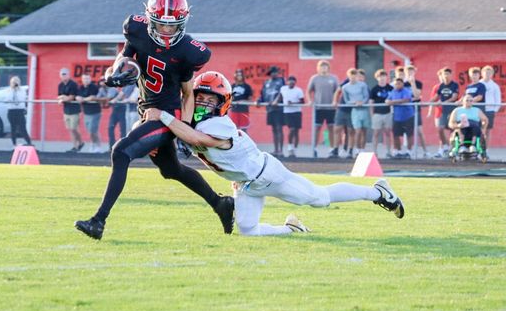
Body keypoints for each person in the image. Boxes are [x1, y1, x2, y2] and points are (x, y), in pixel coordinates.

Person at [144, 71, 405, 236]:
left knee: (320, 198)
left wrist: (163, 116)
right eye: (200, 97)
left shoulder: (217, 124)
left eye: (211, 100)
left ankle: (378, 192)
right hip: (246, 183)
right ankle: (292, 229)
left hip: (268, 175)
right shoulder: (188, 121)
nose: (203, 102)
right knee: (248, 230)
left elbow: (195, 138)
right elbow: (185, 117)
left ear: (222, 103)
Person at [74, 0, 234, 240]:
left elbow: (188, 94)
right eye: (161, 25)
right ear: (149, 19)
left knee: (121, 152)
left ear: (183, 22)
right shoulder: (136, 30)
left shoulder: (189, 51)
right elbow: (121, 60)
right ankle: (220, 204)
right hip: (146, 112)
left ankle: (98, 221)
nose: (166, 31)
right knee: (171, 170)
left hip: (166, 116)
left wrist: (183, 130)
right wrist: (111, 75)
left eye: (173, 26)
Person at [306, 60, 339, 158]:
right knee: (317, 128)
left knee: (331, 128)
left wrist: (335, 101)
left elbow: (338, 91)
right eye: (321, 67)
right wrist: (310, 101)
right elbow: (308, 91)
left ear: (328, 68)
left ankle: (331, 149)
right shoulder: (315, 78)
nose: (323, 68)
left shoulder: (333, 78)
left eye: (325, 66)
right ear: (318, 68)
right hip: (318, 108)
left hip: (330, 108)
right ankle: (314, 148)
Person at [426, 67, 459, 158]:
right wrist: (428, 103)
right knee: (440, 129)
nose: (446, 76)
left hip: (452, 111)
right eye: (445, 74)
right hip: (443, 111)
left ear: (451, 75)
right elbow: (436, 97)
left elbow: (454, 97)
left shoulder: (454, 85)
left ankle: (453, 149)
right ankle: (445, 146)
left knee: (453, 130)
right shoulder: (441, 86)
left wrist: (444, 102)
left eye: (448, 74)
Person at [448, 93, 489, 158]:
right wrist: (458, 126)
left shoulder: (477, 110)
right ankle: (462, 145)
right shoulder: (457, 110)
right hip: (461, 127)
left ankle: (473, 145)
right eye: (467, 100)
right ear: (463, 101)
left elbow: (485, 120)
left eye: (471, 100)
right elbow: (450, 123)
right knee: (463, 126)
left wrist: (483, 129)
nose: (469, 102)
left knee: (474, 125)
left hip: (474, 128)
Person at [342, 68, 370, 159]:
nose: (353, 78)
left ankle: (362, 149)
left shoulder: (363, 85)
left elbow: (366, 96)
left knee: (364, 130)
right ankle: (357, 149)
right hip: (355, 110)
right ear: (349, 77)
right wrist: (354, 103)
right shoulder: (345, 87)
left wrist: (362, 102)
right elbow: (346, 101)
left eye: (355, 76)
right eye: (351, 77)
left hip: (364, 109)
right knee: (357, 131)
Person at [258, 66, 285, 157]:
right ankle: (276, 150)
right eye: (272, 72)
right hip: (269, 109)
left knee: (279, 128)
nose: (274, 74)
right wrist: (259, 100)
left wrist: (276, 101)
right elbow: (262, 94)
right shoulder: (266, 82)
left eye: (275, 72)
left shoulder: (281, 81)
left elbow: (283, 92)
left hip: (279, 108)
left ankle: (281, 150)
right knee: (274, 129)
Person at [274, 75, 304, 158]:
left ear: (295, 82)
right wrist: (275, 102)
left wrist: (293, 103)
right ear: (287, 82)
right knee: (291, 129)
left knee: (296, 131)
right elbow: (279, 97)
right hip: (287, 112)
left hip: (297, 112)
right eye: (289, 81)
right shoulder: (283, 89)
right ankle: (290, 147)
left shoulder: (298, 90)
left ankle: (295, 149)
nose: (291, 82)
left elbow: (302, 101)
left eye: (293, 81)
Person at [330, 68, 355, 158]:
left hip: (353, 110)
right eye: (351, 74)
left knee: (350, 131)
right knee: (337, 129)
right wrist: (335, 101)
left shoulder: (359, 84)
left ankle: (350, 150)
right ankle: (335, 149)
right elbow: (338, 91)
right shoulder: (346, 82)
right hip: (342, 108)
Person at [386, 77, 415, 158]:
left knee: (409, 134)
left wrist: (393, 102)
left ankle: (409, 151)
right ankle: (398, 151)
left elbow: (406, 99)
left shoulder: (406, 91)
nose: (397, 85)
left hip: (408, 116)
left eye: (399, 84)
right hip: (397, 117)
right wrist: (389, 101)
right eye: (396, 84)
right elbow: (387, 100)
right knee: (396, 134)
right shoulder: (393, 92)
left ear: (402, 84)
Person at [57, 68, 83, 152]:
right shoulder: (60, 85)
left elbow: (71, 97)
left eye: (65, 74)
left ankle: (80, 142)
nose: (64, 76)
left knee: (73, 128)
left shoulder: (73, 84)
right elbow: (59, 96)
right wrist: (63, 98)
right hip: (66, 110)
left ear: (68, 75)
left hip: (74, 110)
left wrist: (63, 98)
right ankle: (75, 146)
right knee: (70, 129)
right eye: (62, 74)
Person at [76, 73, 104, 152]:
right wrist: (78, 98)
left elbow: (93, 97)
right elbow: (77, 96)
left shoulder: (93, 87)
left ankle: (98, 146)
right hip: (86, 112)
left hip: (95, 112)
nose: (86, 80)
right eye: (84, 79)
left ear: (90, 79)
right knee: (90, 131)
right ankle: (93, 144)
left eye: (87, 78)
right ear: (82, 80)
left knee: (93, 130)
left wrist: (83, 99)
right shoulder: (81, 87)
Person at [404, 65, 428, 158]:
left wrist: (413, 83)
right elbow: (405, 97)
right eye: (408, 72)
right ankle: (409, 151)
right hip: (407, 110)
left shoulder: (418, 83)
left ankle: (425, 151)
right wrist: (410, 98)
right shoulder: (403, 84)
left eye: (412, 72)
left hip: (416, 109)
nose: (410, 73)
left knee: (420, 131)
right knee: (409, 132)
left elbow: (417, 96)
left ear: (414, 72)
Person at [369, 69, 393, 158]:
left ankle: (388, 152)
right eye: (380, 77)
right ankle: (374, 152)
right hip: (377, 114)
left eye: (384, 76)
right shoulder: (374, 89)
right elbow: (371, 102)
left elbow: (394, 99)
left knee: (388, 133)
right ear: (377, 78)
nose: (382, 78)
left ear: (386, 77)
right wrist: (372, 114)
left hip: (388, 113)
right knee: (376, 133)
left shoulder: (390, 88)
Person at [6, 75, 32, 146]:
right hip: (12, 111)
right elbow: (8, 99)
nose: (15, 83)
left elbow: (22, 99)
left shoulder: (22, 91)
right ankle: (14, 144)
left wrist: (17, 90)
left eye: (16, 82)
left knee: (22, 128)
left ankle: (29, 142)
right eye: (14, 82)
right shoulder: (9, 91)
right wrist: (13, 90)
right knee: (13, 128)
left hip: (20, 111)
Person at [103, 79, 127, 149]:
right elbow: (108, 99)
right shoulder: (110, 89)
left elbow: (122, 95)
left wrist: (113, 100)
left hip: (123, 110)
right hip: (115, 111)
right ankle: (111, 146)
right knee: (110, 127)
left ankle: (122, 146)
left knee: (123, 129)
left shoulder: (125, 87)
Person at [481, 65, 501, 141]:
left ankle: (486, 147)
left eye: (489, 73)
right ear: (482, 73)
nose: (487, 74)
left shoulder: (495, 86)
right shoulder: (478, 84)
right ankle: (478, 146)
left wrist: (494, 110)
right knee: (478, 129)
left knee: (488, 130)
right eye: (486, 73)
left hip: (490, 111)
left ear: (492, 74)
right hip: (479, 110)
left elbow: (498, 99)